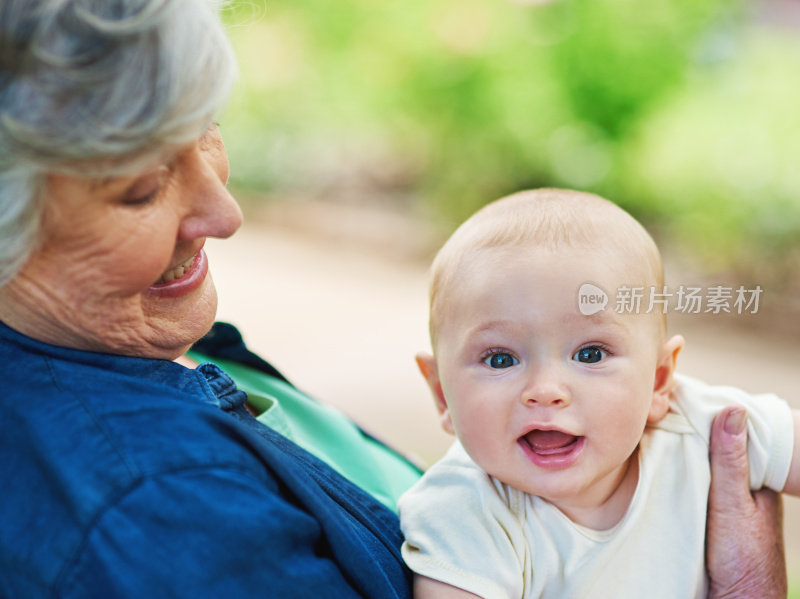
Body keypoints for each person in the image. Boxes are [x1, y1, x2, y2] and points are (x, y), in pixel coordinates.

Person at [0, 1, 786, 596]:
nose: (224, 213)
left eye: (206, 128)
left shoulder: (696, 418)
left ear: (659, 378)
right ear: (439, 389)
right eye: (141, 190)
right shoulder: (152, 511)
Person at [399, 189, 798, 598]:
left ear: (659, 380)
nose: (546, 391)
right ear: (443, 394)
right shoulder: (464, 512)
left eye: (590, 354)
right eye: (500, 359)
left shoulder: (702, 424)